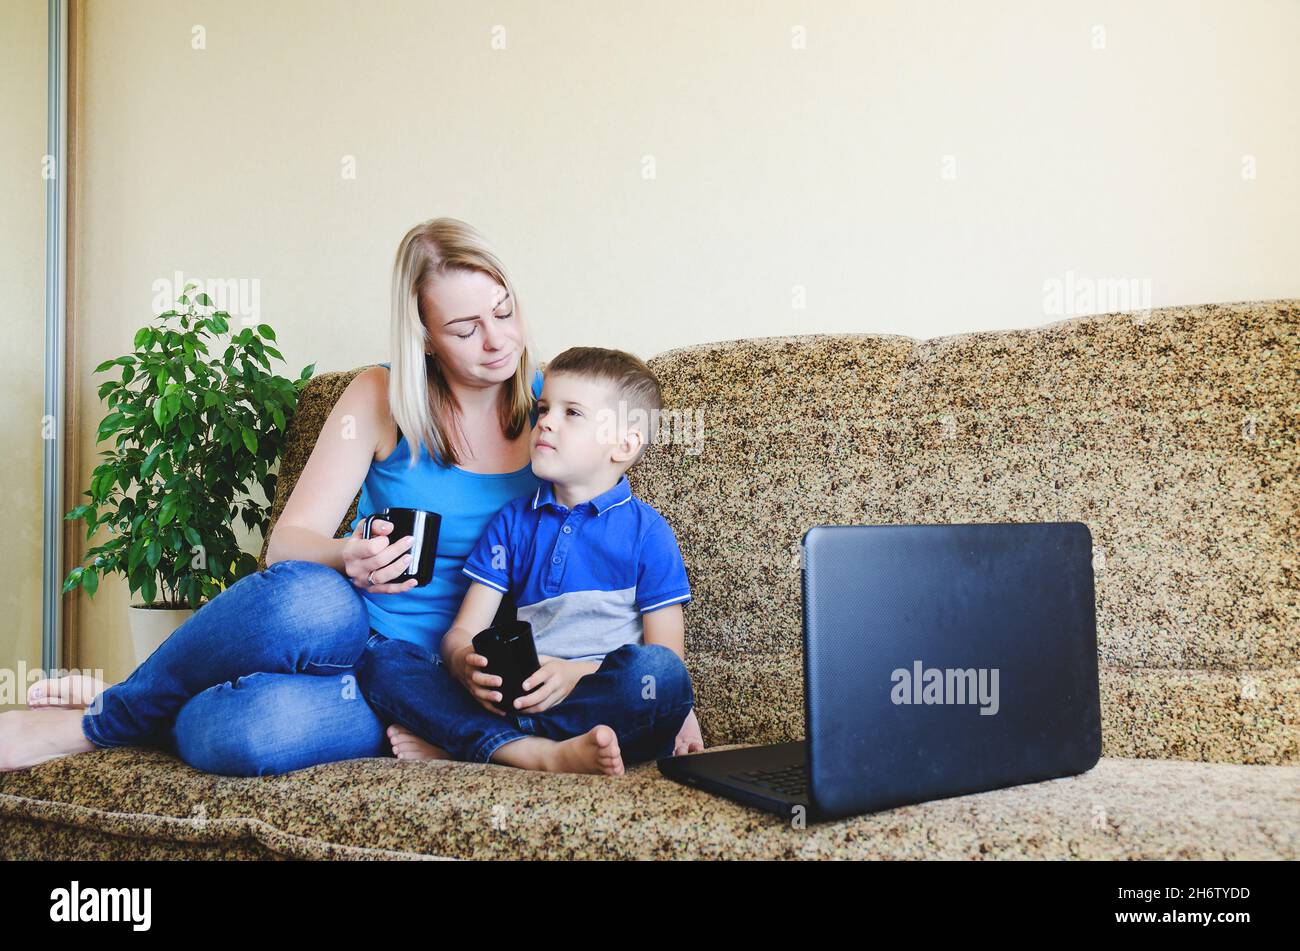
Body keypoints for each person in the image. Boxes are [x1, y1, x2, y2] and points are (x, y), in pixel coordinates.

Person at [0, 217, 700, 775]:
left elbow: (615, 529)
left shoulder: (554, 406)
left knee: (246, 732)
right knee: (307, 594)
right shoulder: (377, 396)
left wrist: (665, 696)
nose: (497, 342)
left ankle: (141, 700)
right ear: (423, 336)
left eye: (503, 312)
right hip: (361, 642)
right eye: (464, 328)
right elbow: (285, 545)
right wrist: (349, 553)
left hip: (441, 689)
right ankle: (102, 721)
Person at [353, 347, 699, 774]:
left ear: (623, 444)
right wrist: (464, 664)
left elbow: (666, 654)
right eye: (544, 408)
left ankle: (477, 743)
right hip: (516, 695)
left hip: (598, 699)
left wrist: (574, 675)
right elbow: (462, 631)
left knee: (660, 675)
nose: (546, 422)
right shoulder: (513, 523)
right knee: (385, 661)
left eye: (572, 413)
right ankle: (528, 750)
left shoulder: (648, 533)